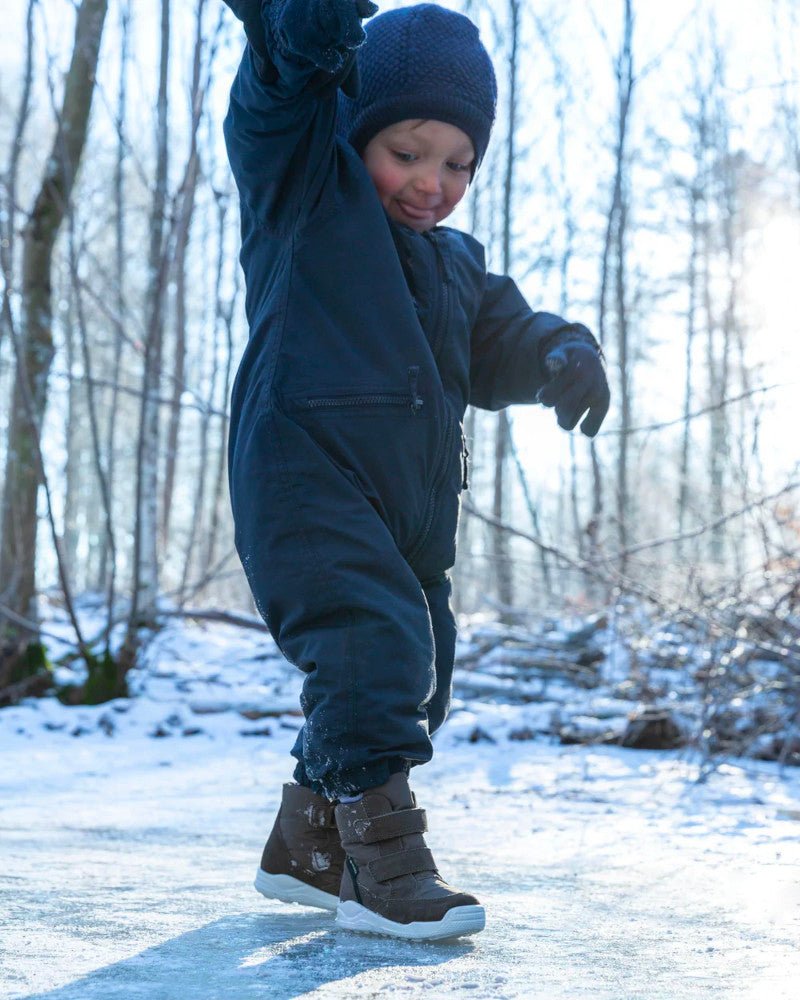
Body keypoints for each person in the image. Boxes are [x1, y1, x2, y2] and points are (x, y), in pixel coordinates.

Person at [221, 0, 610, 941]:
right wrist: (300, 35)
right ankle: (381, 873)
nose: (433, 182)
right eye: (408, 151)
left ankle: (308, 850)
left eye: (458, 162)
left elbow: (499, 337)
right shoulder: (305, 198)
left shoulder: (452, 267)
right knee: (373, 645)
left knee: (415, 671)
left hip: (406, 515)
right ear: (356, 133)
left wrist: (560, 350)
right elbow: (276, 95)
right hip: (303, 481)